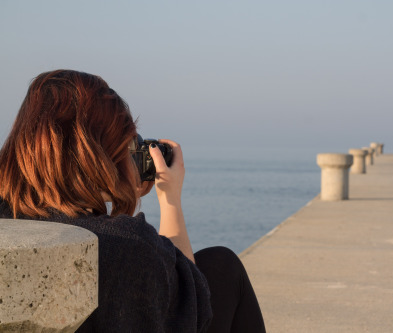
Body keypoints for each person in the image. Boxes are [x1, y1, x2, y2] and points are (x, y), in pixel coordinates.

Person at [0, 69, 266, 333]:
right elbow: (190, 307)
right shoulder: (128, 245)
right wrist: (169, 198)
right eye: (127, 146)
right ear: (99, 155)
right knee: (224, 265)